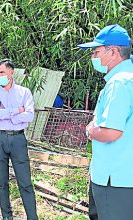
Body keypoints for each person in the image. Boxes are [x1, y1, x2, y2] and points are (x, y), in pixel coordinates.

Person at [79, 24, 133, 219]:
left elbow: (111, 132)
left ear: (113, 52)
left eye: (96, 52)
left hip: (115, 178)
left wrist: (91, 130)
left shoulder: (119, 83)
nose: (94, 57)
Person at [0, 59, 38, 220]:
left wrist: (9, 117)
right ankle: (6, 216)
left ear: (11, 72)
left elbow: (29, 115)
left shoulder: (24, 92)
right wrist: (16, 111)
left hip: (17, 139)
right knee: (1, 181)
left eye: (2, 72)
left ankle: (32, 216)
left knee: (25, 182)